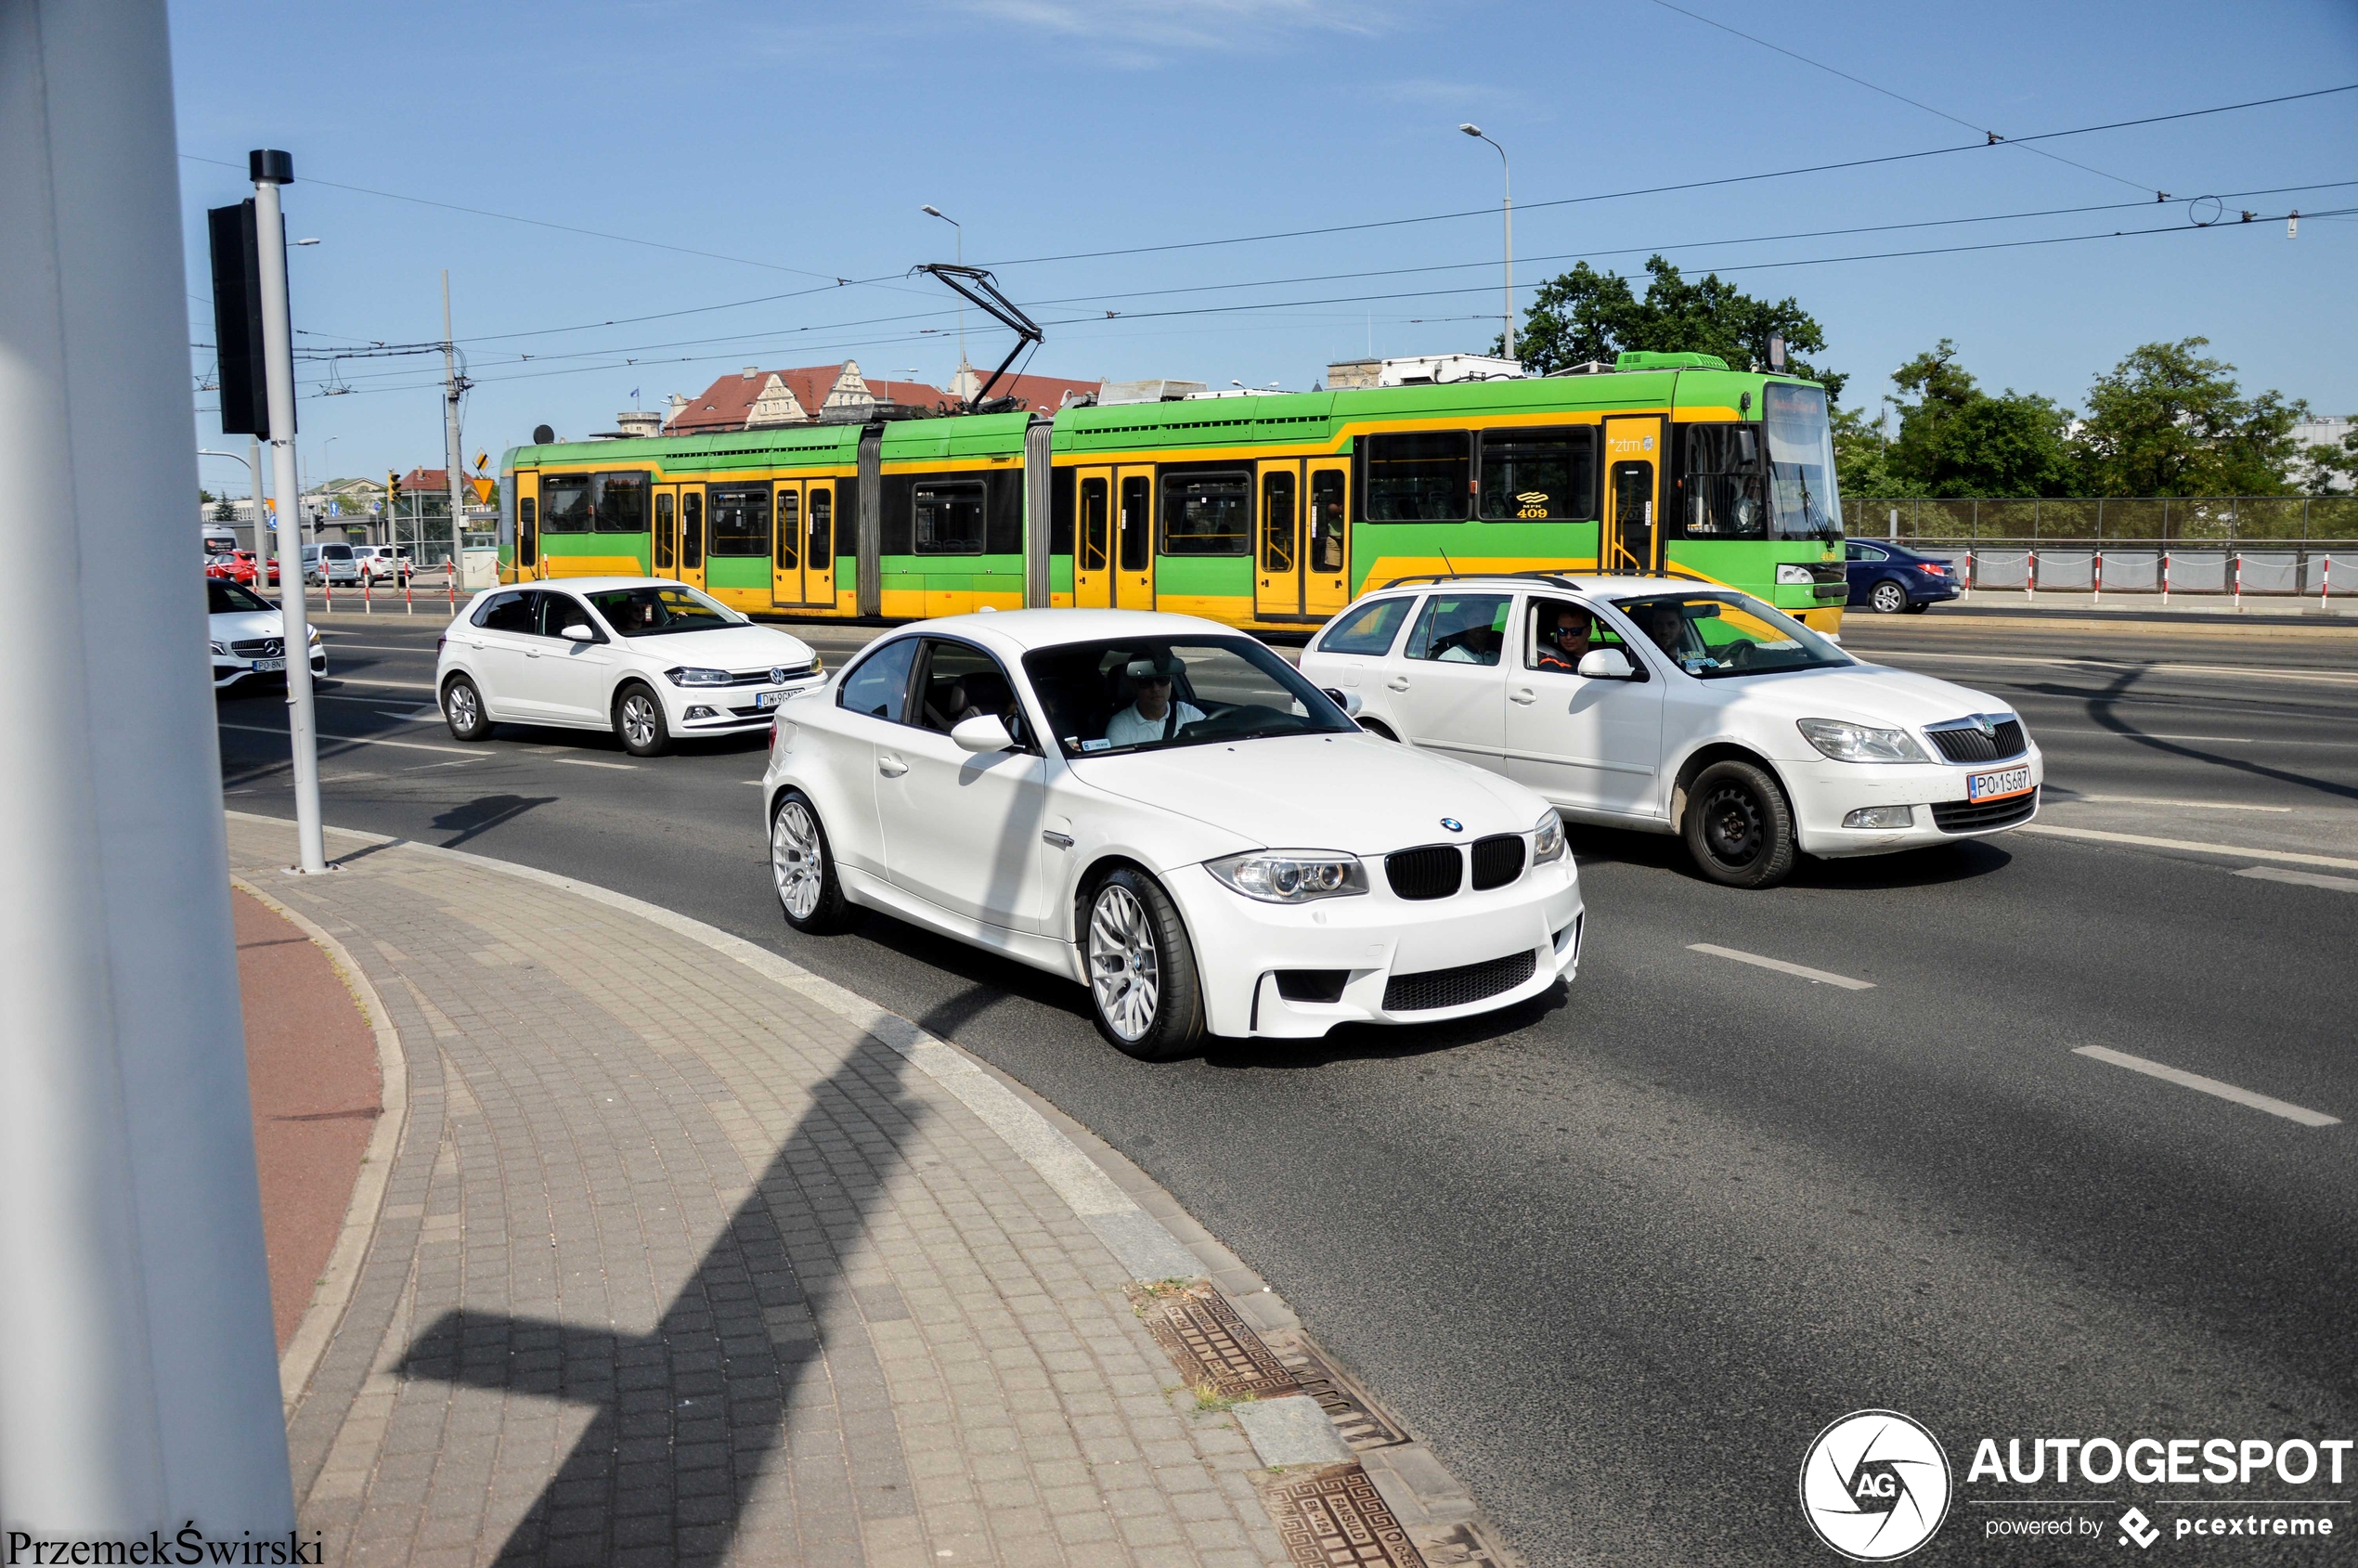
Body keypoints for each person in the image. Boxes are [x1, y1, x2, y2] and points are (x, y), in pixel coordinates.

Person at [1105, 656, 1203, 746]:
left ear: (1171, 683)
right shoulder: (1120, 726)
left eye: (1162, 679)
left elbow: (1213, 735)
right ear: (1134, 686)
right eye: (1145, 681)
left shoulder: (1187, 712)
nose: (1155, 688)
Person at [1532, 608, 1594, 673]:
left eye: (1575, 631)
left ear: (1589, 631)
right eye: (1562, 631)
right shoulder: (1551, 663)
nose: (1568, 637)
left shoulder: (1601, 655)